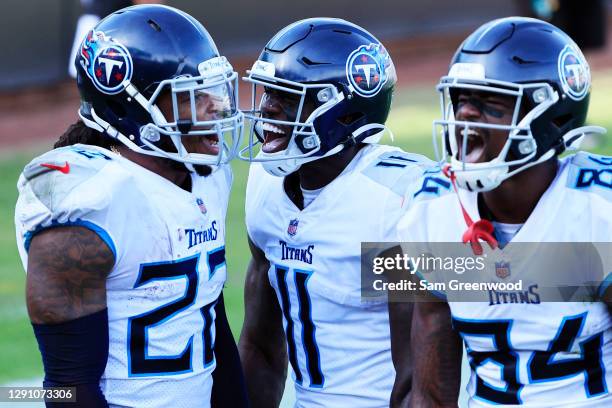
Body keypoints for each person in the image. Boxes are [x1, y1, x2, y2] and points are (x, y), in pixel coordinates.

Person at [15, 5, 246, 407]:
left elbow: (212, 326)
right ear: (132, 108)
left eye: (213, 90)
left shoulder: (209, 178)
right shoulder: (88, 201)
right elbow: (68, 387)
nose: (217, 107)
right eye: (191, 95)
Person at [392, 17, 611, 407]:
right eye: (461, 101)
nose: (465, 118)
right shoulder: (431, 211)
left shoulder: (597, 211)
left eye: (491, 103)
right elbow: (429, 394)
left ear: (551, 118)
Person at [237, 18, 433, 407]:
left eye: (288, 97)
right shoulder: (264, 181)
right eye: (268, 93)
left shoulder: (392, 198)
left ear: (344, 113)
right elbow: (260, 348)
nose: (267, 109)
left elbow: (417, 378)